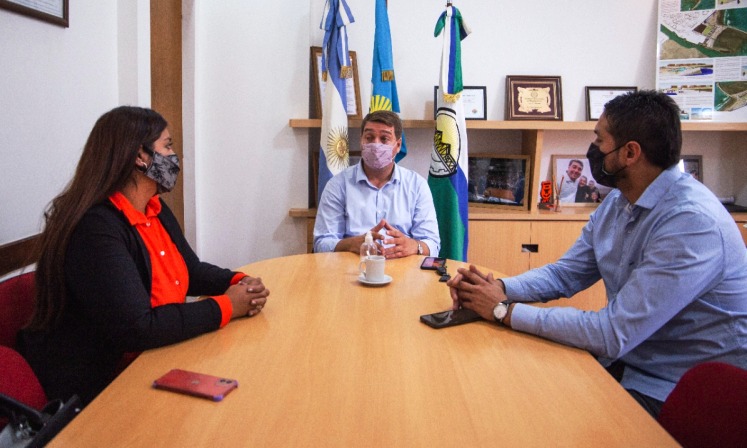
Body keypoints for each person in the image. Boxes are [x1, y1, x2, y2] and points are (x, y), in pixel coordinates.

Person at [446, 90, 747, 418]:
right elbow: (565, 274)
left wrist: (503, 310)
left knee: (536, 416)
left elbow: (611, 332)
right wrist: (498, 289)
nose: (592, 149)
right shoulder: (620, 200)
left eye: (599, 140)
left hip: (681, 390)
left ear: (630, 152)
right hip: (625, 363)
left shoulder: (692, 223)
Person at [18, 106, 270, 405]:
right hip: (104, 388)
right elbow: (139, 327)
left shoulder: (154, 208)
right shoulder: (95, 228)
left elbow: (191, 271)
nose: (174, 156)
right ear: (140, 156)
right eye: (167, 146)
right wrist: (228, 305)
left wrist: (240, 282)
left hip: (155, 357)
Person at [313, 110, 440, 258]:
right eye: (369, 138)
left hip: (403, 267)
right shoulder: (338, 185)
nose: (375, 144)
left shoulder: (417, 185)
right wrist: (350, 244)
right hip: (353, 266)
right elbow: (321, 244)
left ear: (398, 145)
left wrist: (414, 246)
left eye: (384, 139)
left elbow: (432, 244)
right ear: (361, 141)